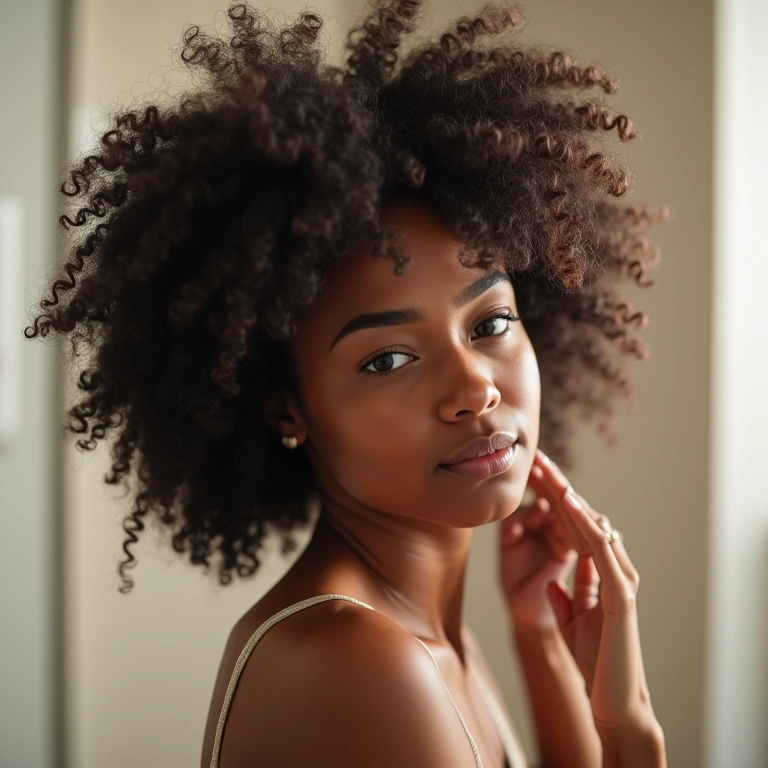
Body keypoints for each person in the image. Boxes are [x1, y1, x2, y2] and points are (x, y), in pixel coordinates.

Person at [26, 1, 668, 766]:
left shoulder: (419, 625)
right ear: (286, 408)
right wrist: (630, 727)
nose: (474, 387)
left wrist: (538, 639)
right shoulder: (359, 660)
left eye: (491, 322)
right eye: (387, 359)